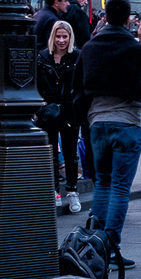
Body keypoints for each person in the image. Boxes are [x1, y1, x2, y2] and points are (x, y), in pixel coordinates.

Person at [74, 0, 141, 256]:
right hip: (127, 122)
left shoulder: (90, 48)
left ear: (105, 17)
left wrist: (87, 116)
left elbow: (76, 88)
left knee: (102, 182)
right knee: (121, 187)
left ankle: (94, 243)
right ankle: (111, 246)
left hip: (97, 123)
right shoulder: (140, 51)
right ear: (128, 20)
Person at [38, 19, 83, 214]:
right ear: (52, 37)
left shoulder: (77, 56)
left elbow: (81, 84)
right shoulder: (42, 57)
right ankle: (54, 189)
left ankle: (72, 191)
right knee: (50, 152)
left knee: (70, 152)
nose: (62, 40)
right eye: (58, 36)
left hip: (69, 109)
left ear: (70, 37)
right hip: (48, 109)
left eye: (65, 36)